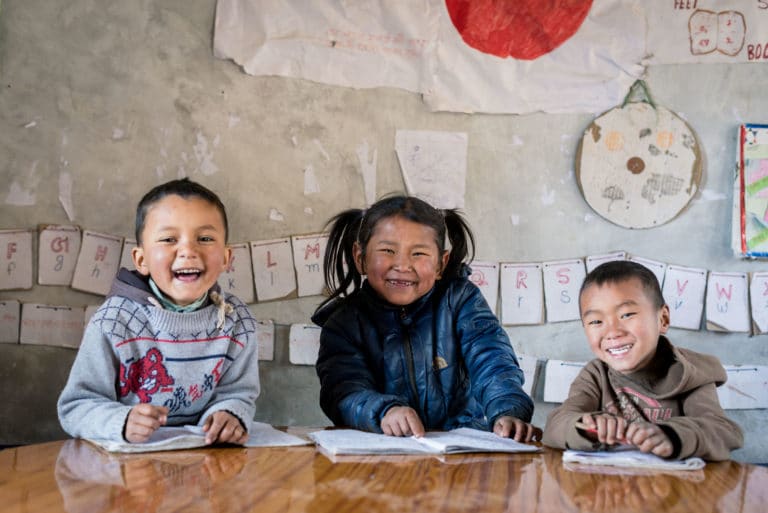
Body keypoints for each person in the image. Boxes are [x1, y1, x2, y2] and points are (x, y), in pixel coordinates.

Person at [312, 195, 538, 441]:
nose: (402, 265)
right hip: (382, 453)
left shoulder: (460, 300)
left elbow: (492, 359)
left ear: (441, 264)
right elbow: (343, 390)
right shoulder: (343, 323)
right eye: (388, 250)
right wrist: (385, 412)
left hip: (462, 450)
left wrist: (507, 410)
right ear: (360, 257)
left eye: (418, 253)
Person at [58, 178, 259, 446]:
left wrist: (229, 414)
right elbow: (76, 406)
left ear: (225, 257)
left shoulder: (237, 320)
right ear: (141, 260)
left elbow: (238, 393)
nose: (188, 251)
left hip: (206, 463)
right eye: (168, 239)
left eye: (205, 238)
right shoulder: (114, 321)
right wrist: (122, 421)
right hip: (126, 471)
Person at [542, 260, 743, 461]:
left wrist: (672, 435)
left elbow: (723, 431)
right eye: (596, 321)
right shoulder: (596, 374)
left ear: (662, 319)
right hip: (610, 486)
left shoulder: (690, 373)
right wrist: (586, 426)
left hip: (677, 487)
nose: (612, 332)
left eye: (627, 314)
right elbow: (555, 425)